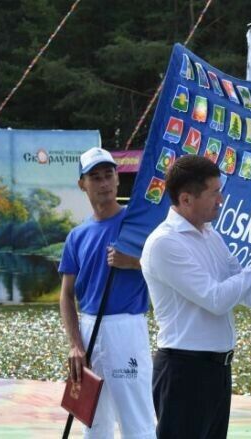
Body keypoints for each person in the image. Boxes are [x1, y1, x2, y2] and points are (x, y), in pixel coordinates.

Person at [140, 155, 251, 439]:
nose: (221, 200)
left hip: (216, 371)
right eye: (214, 193)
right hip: (184, 371)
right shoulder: (164, 243)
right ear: (186, 199)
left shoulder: (209, 234)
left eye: (220, 190)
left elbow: (248, 294)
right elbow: (216, 300)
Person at [58, 147, 156, 439]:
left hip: (126, 328)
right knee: (94, 422)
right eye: (95, 177)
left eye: (108, 175)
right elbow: (65, 295)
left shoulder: (136, 225)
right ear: (82, 184)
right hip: (88, 330)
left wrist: (135, 262)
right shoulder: (77, 236)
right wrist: (75, 344)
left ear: (117, 180)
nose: (103, 183)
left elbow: (167, 269)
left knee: (136, 421)